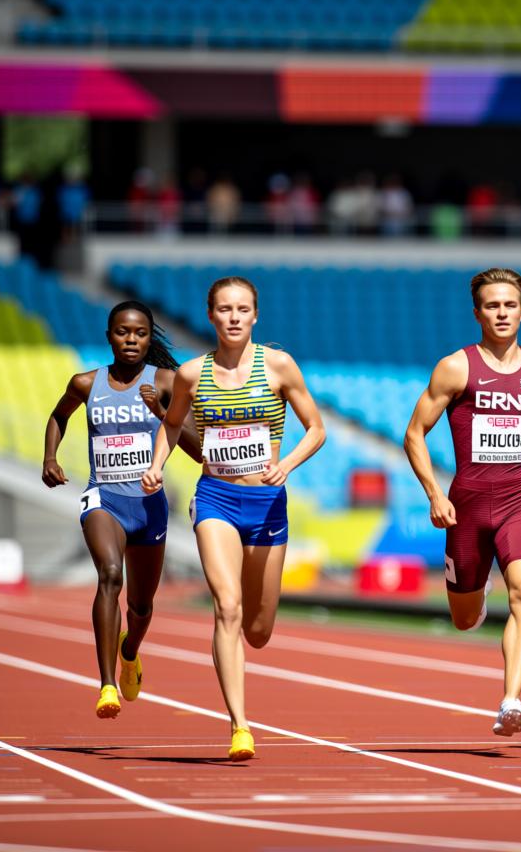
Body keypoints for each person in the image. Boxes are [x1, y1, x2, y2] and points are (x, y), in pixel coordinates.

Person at [141, 276, 325, 761]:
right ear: (211, 316)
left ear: (255, 315)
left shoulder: (279, 365)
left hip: (267, 504)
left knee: (258, 630)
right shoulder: (191, 374)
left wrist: (286, 464)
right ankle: (240, 727)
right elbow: (172, 422)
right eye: (225, 309)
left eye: (243, 309)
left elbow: (316, 429)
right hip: (216, 499)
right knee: (227, 605)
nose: (234, 317)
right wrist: (156, 465)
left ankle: (248, 642)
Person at [403, 268, 521, 736]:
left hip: (520, 499)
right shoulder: (455, 367)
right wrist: (435, 494)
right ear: (477, 312)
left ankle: (511, 700)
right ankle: (475, 593)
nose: (501, 313)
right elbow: (414, 433)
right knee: (464, 620)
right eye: (491, 305)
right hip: (465, 506)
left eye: (509, 305)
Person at [43, 301, 202, 719]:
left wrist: (162, 413)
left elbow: (201, 451)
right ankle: (107, 683)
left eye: (140, 334)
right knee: (110, 575)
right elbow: (58, 416)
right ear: (109, 335)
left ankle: (130, 651)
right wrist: (50, 458)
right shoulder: (84, 383)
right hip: (104, 497)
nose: (131, 340)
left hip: (149, 503)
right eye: (122, 332)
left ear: (150, 339)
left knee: (142, 606)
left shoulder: (167, 382)